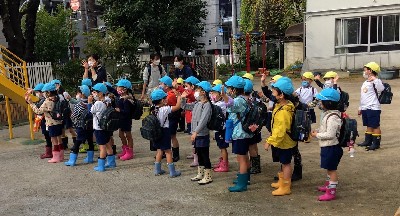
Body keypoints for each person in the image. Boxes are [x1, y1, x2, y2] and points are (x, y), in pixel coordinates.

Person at [265, 77, 296, 196]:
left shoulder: (284, 111)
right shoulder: (282, 105)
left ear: (281, 95)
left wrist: (270, 141)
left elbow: (281, 130)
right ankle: (282, 181)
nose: (272, 93)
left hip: (285, 142)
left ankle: (286, 186)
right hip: (283, 141)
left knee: (286, 163)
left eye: (274, 91)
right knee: (283, 163)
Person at [311, 88, 343, 201]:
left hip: (332, 147)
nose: (319, 103)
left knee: (332, 169)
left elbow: (330, 134)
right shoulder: (328, 114)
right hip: (327, 146)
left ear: (328, 103)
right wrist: (318, 131)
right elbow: (325, 129)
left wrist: (317, 135)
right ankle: (328, 185)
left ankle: (331, 191)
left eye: (321, 101)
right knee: (329, 168)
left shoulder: (333, 117)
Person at [222, 75, 253, 192]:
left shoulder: (239, 100)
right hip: (242, 133)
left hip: (240, 134)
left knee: (242, 158)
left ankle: (242, 183)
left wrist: (224, 95)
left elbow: (230, 105)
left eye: (229, 88)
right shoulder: (244, 99)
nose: (228, 91)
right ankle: (244, 178)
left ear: (234, 89)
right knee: (243, 156)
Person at [182, 81, 213, 184]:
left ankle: (208, 175)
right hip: (196, 133)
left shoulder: (207, 105)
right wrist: (182, 98)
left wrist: (196, 132)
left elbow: (204, 120)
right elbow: (185, 107)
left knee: (204, 154)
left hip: (202, 133)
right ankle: (200, 173)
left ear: (203, 92)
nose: (195, 92)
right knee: (198, 153)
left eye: (197, 90)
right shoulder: (197, 103)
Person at [27, 82, 64, 163]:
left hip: (51, 122)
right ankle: (61, 156)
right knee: (59, 139)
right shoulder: (58, 98)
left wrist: (31, 103)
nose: (43, 94)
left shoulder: (47, 101)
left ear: (49, 92)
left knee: (54, 140)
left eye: (44, 92)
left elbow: (38, 111)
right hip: (59, 121)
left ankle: (56, 157)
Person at [151, 89, 182, 178]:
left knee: (159, 150)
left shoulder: (153, 108)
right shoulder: (165, 109)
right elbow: (177, 107)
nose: (167, 99)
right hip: (164, 131)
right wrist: (179, 97)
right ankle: (172, 172)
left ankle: (157, 170)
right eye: (165, 98)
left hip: (156, 132)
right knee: (168, 151)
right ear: (162, 100)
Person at [65, 85, 95, 166]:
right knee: (90, 141)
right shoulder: (91, 103)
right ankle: (90, 158)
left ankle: (72, 160)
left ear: (82, 94)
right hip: (90, 126)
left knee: (77, 142)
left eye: (78, 93)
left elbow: (74, 116)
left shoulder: (79, 104)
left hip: (81, 126)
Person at [357, 62, 385, 151]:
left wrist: (375, 80)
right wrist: (360, 107)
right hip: (365, 107)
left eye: (365, 70)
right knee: (369, 124)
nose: (364, 72)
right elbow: (363, 96)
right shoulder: (365, 82)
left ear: (370, 71)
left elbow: (381, 89)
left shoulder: (377, 81)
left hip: (373, 107)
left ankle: (376, 143)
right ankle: (368, 141)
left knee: (375, 125)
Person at [90, 83, 115, 172]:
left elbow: (91, 111)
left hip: (99, 128)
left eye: (94, 92)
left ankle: (101, 165)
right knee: (108, 144)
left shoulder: (97, 103)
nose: (93, 94)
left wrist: (90, 102)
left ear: (100, 93)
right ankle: (111, 162)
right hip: (106, 127)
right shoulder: (107, 100)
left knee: (102, 147)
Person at [159, 76, 183, 162]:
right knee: (168, 136)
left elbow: (166, 105)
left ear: (166, 86)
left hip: (172, 118)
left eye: (162, 83)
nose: (160, 85)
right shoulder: (168, 94)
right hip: (169, 117)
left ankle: (176, 154)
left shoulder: (170, 95)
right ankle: (166, 152)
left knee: (173, 136)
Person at [243, 79, 262, 175]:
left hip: (247, 128)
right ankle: (256, 165)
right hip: (256, 127)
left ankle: (252, 166)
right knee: (254, 146)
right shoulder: (256, 99)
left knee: (249, 147)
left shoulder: (243, 101)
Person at [210, 84, 231, 172]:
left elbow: (213, 109)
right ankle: (222, 161)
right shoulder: (218, 103)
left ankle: (225, 165)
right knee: (220, 146)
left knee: (223, 147)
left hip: (222, 128)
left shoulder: (221, 104)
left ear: (221, 94)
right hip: (218, 128)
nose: (213, 95)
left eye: (215, 93)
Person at [181, 76, 200, 166]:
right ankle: (194, 155)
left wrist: (181, 92)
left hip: (195, 122)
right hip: (190, 120)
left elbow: (190, 96)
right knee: (193, 140)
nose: (185, 88)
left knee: (195, 141)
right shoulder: (190, 94)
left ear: (192, 87)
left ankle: (196, 159)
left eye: (186, 86)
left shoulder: (194, 95)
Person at [115, 79, 135, 161]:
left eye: (119, 87)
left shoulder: (126, 100)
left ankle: (130, 152)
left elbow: (127, 112)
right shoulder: (121, 97)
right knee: (121, 135)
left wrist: (120, 110)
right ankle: (125, 150)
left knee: (128, 135)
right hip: (121, 119)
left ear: (125, 89)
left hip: (126, 120)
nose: (117, 89)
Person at [33, 83, 53, 159]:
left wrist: (31, 103)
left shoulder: (44, 100)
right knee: (49, 136)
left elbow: (38, 110)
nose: (36, 94)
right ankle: (51, 152)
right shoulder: (42, 100)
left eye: (37, 92)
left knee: (48, 136)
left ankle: (49, 153)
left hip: (46, 120)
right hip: (46, 120)